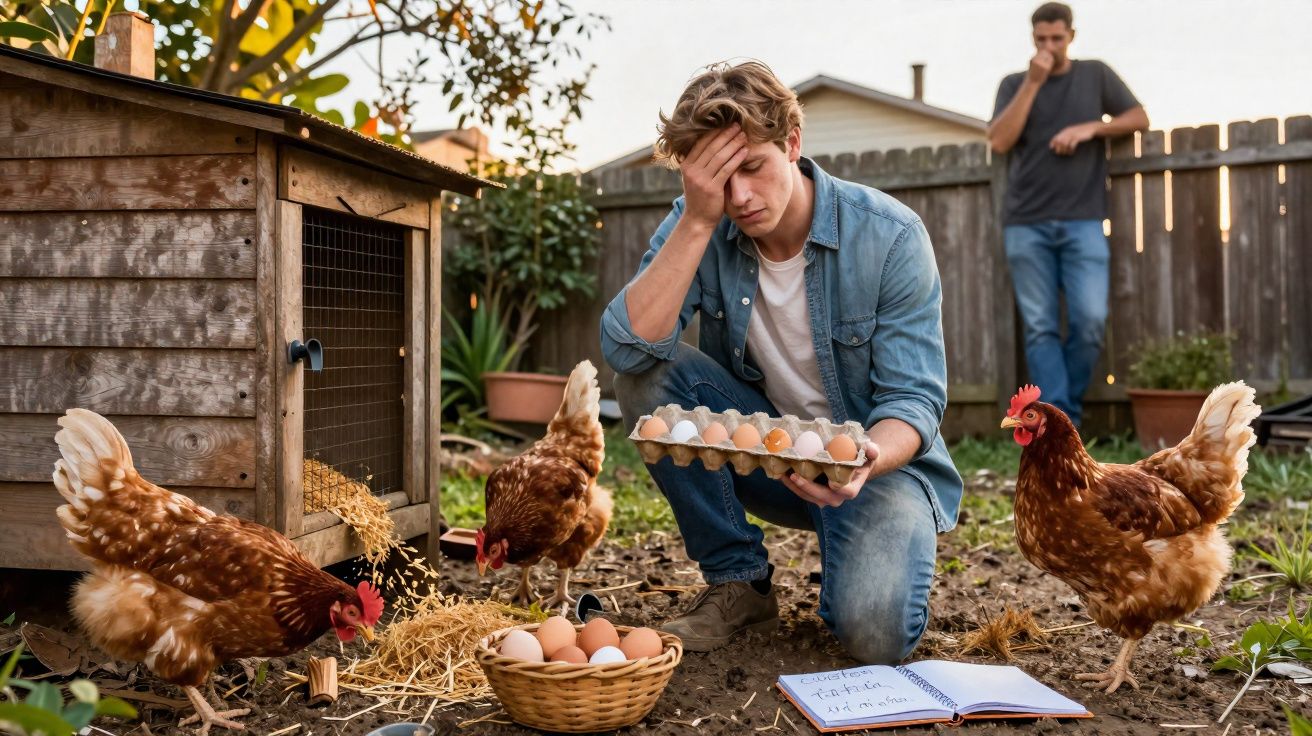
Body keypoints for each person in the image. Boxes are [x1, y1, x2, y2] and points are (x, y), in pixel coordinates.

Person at [599, 60, 962, 664]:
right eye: (718, 179)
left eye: (752, 167)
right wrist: (696, 217)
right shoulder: (703, 218)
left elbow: (913, 402)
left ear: (792, 144)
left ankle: (854, 544)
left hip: (874, 469)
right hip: (763, 457)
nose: (738, 196)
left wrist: (864, 463)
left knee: (875, 637)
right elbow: (627, 350)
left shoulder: (892, 236)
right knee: (650, 373)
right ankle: (740, 580)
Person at [988, 2, 1149, 428]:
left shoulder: (1095, 74)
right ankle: (1063, 425)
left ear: (1071, 37)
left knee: (1090, 321)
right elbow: (1000, 140)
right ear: (1032, 38)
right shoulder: (1014, 84)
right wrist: (1034, 83)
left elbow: (1139, 116)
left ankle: (1065, 413)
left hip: (1084, 220)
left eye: (1056, 39)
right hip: (1025, 222)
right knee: (1040, 328)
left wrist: (1090, 127)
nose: (1049, 46)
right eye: (1041, 39)